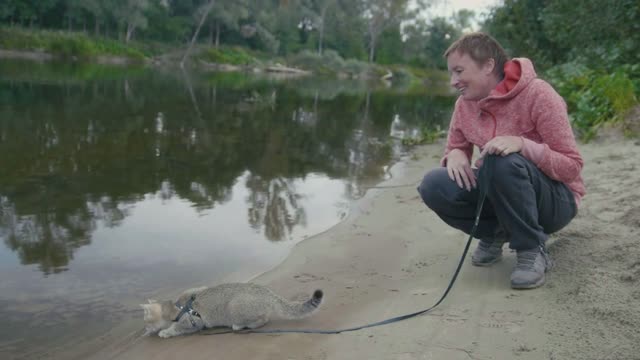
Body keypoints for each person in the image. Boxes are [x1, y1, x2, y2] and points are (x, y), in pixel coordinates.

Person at [417, 32, 585, 289]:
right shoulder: (464, 105)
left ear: (488, 66)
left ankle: (532, 249)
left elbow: (572, 167)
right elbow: (455, 147)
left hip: (555, 202)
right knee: (433, 184)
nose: (453, 81)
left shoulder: (539, 94)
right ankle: (494, 232)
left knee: (500, 161)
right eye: (451, 73)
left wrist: (523, 145)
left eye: (459, 71)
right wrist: (455, 154)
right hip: (503, 193)